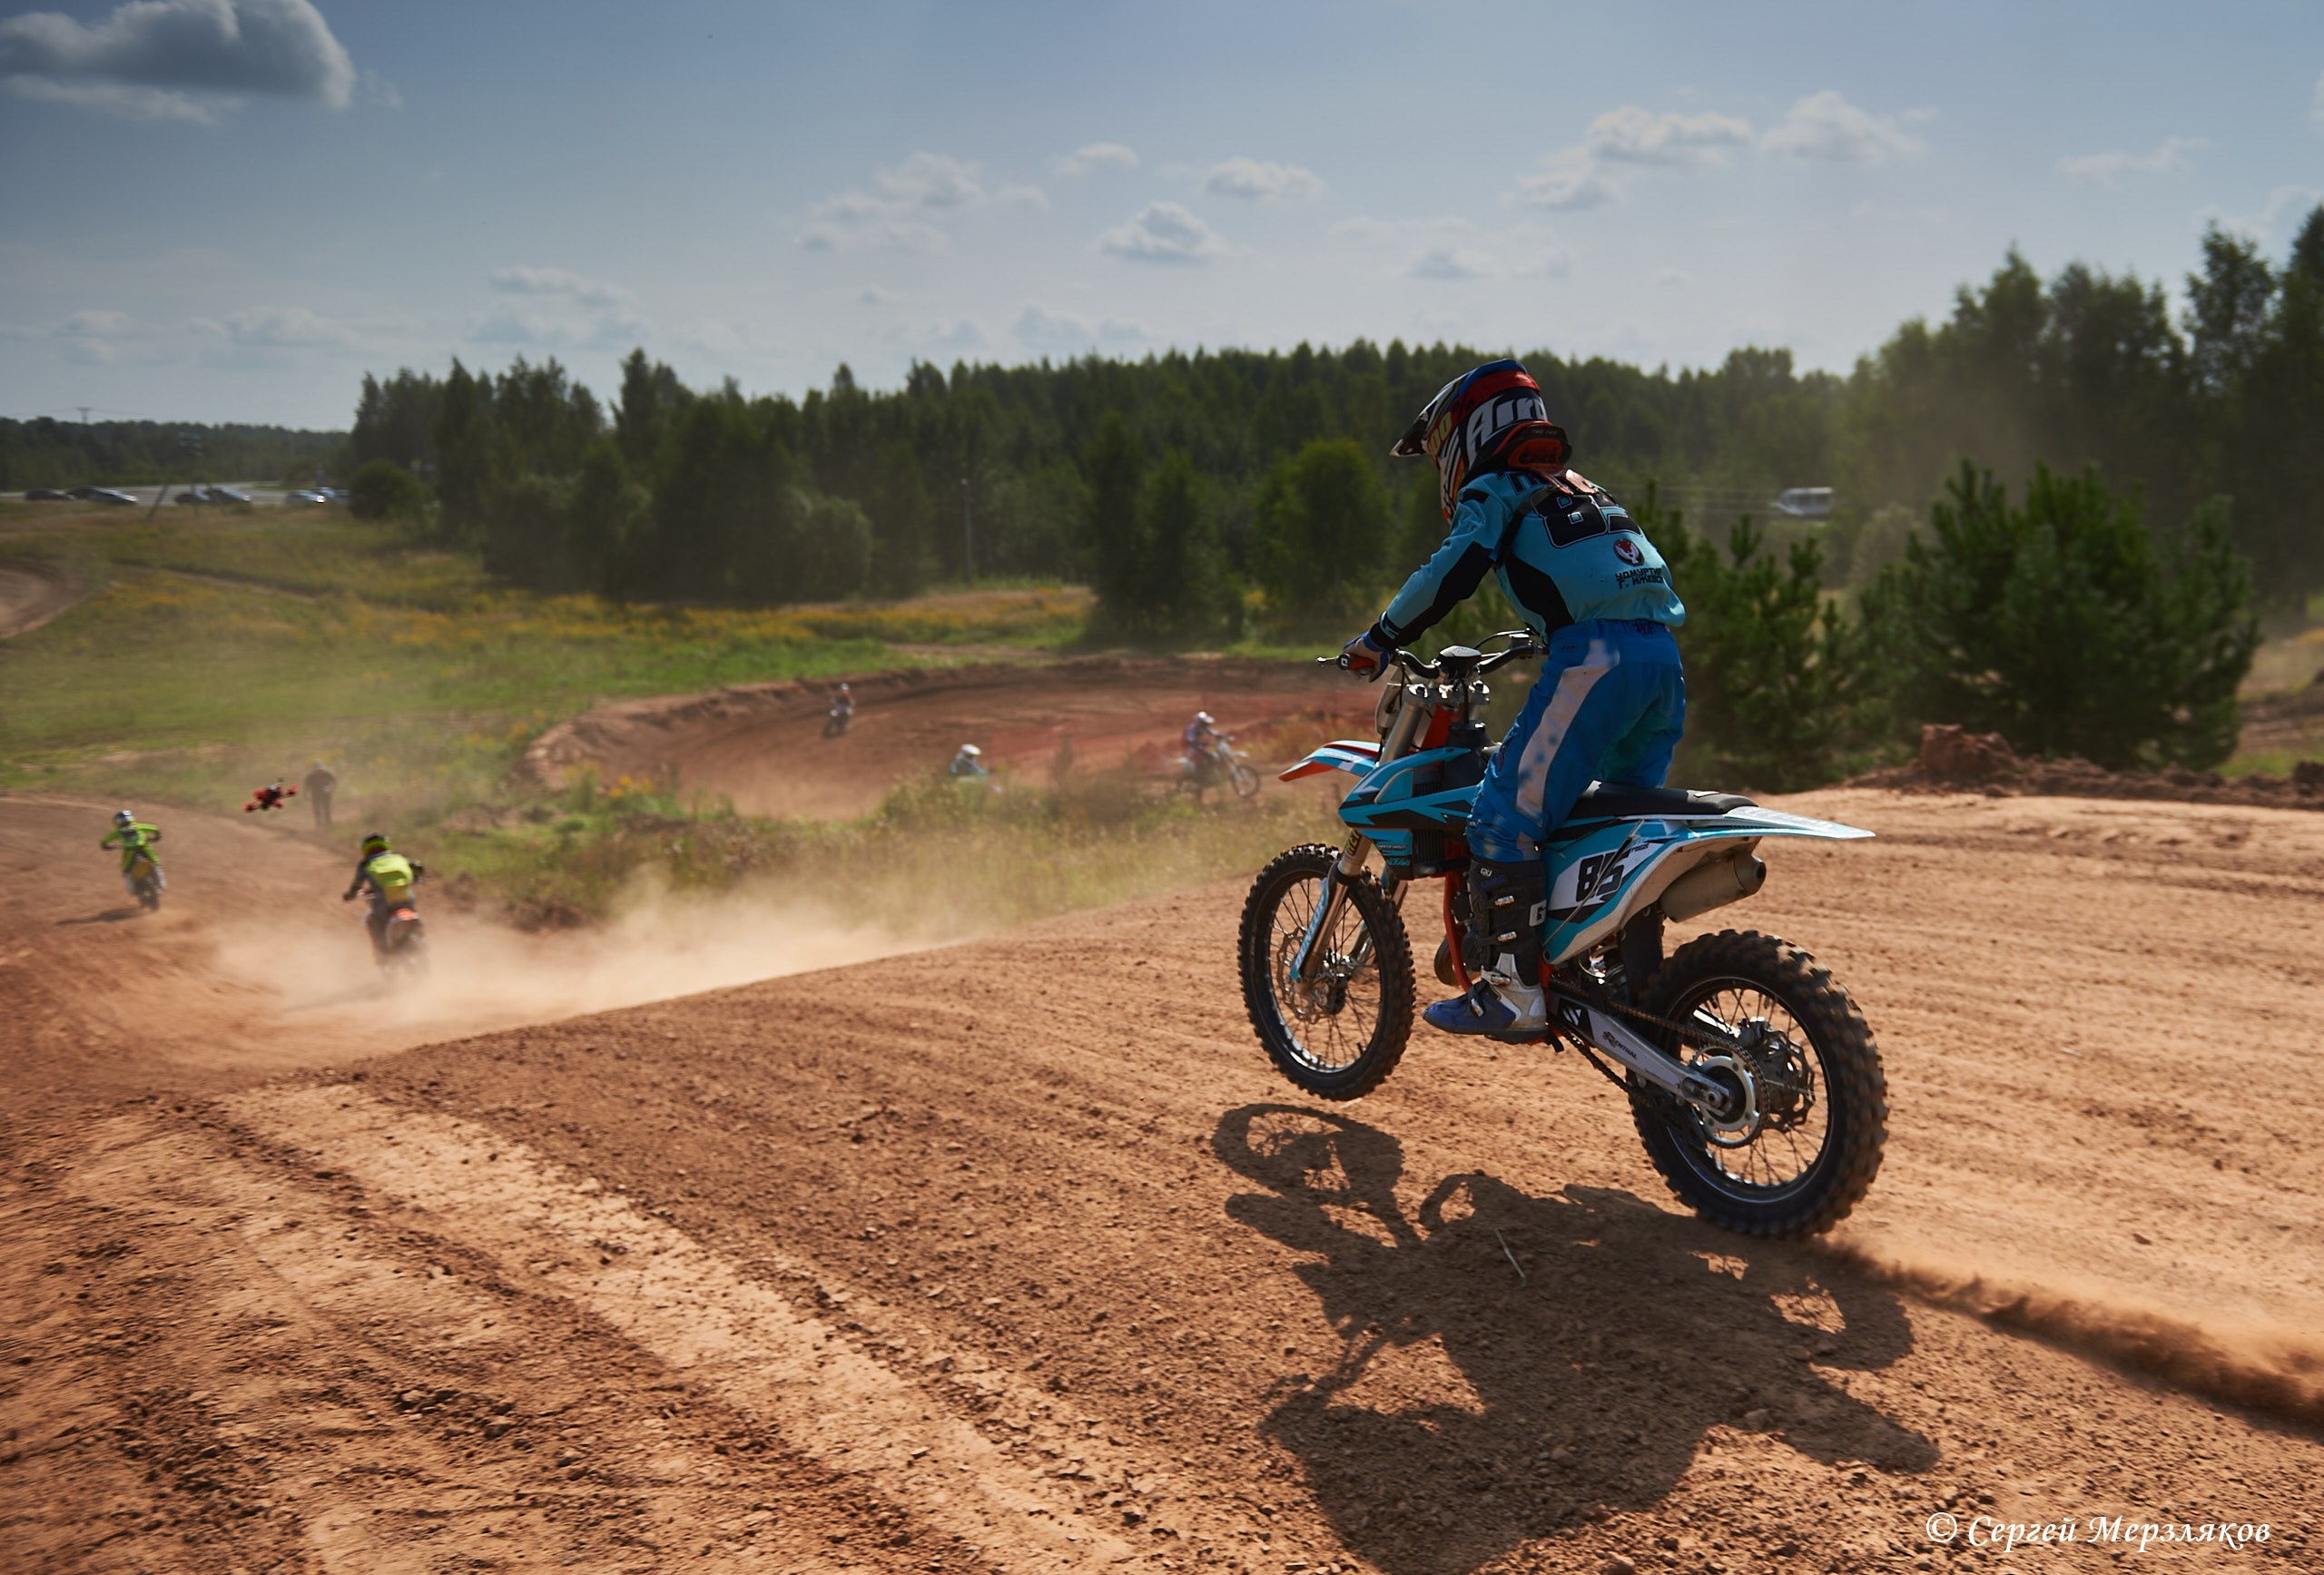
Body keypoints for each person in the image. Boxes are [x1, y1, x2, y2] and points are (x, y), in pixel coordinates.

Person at [1340, 359, 1686, 1039]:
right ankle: (1635, 988)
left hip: (1596, 662)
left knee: (1501, 817)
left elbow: (1452, 571)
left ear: (1472, 429)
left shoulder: (1498, 488)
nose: (1444, 463)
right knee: (1615, 833)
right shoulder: (1582, 488)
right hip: (1663, 662)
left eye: (1443, 447)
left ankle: (1512, 990)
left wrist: (1380, 637)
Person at [341, 832, 423, 956]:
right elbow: (418, 866)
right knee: (415, 919)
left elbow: (357, 884)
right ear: (386, 845)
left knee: (374, 923)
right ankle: (422, 941)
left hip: (383, 902)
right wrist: (416, 878)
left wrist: (350, 895)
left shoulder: (365, 864)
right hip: (406, 898)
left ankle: (383, 954)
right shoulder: (398, 857)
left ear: (365, 849)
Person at [99, 808, 164, 899]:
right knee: (154, 864)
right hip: (142, 848)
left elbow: (105, 840)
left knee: (128, 870)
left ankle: (137, 888)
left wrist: (105, 845)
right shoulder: (137, 827)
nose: (124, 821)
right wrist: (157, 836)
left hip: (133, 851)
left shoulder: (119, 832)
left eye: (124, 819)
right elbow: (155, 829)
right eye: (122, 819)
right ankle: (160, 885)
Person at [303, 761, 339, 829]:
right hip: (315, 794)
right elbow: (306, 787)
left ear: (323, 769)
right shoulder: (310, 777)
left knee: (326, 808)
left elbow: (335, 781)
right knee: (316, 809)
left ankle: (328, 822)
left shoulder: (327, 774)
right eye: (317, 770)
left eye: (320, 770)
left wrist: (333, 789)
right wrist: (306, 794)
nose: (319, 771)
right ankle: (319, 824)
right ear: (314, 770)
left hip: (326, 791)